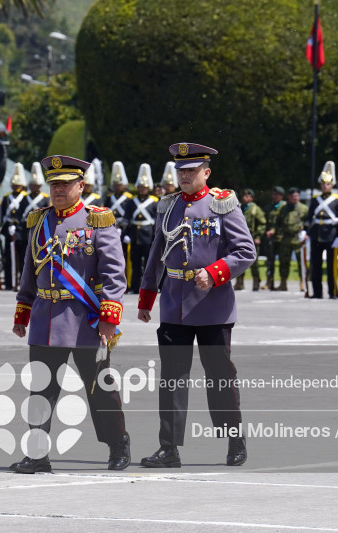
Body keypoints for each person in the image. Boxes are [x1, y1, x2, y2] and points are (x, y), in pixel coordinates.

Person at [137, 142, 256, 468]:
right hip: (174, 304)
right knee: (171, 379)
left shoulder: (223, 205)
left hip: (213, 306)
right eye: (181, 171)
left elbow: (245, 251)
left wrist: (215, 272)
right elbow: (155, 256)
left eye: (191, 171)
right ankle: (169, 447)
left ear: (206, 172)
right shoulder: (167, 206)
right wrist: (147, 296)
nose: (185, 176)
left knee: (219, 376)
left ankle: (234, 439)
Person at [11, 154, 130, 473]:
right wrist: (22, 310)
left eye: (65, 184)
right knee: (40, 391)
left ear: (82, 185)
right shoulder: (39, 221)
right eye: (54, 184)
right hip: (44, 319)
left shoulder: (97, 220)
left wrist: (109, 317)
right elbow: (29, 271)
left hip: (84, 321)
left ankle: (117, 445)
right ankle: (37, 454)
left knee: (99, 390)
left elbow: (115, 274)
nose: (58, 190)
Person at [303, 161, 338, 299]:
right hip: (317, 234)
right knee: (316, 265)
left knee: (332, 267)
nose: (324, 186)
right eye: (322, 184)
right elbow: (310, 216)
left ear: (332, 185)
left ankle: (333, 292)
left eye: (327, 184)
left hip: (332, 235)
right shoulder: (315, 199)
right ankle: (317, 292)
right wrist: (305, 230)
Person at [121, 164, 159, 294]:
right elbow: (127, 218)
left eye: (145, 187)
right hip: (134, 236)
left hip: (148, 235)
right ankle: (135, 287)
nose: (143, 189)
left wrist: (156, 235)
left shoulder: (154, 201)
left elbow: (156, 220)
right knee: (135, 263)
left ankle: (149, 287)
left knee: (149, 264)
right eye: (141, 187)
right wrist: (125, 232)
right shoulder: (132, 201)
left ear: (148, 187)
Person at [274, 187, 308, 291]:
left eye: (297, 196)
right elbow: (278, 223)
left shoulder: (304, 208)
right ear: (289, 197)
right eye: (293, 196)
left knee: (301, 262)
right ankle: (283, 283)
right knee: (284, 262)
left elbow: (308, 222)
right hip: (286, 238)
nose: (295, 198)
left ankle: (303, 282)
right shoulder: (284, 208)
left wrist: (306, 233)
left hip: (298, 238)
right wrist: (277, 234)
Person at [1, 164, 28, 290]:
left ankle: (21, 283)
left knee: (22, 258)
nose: (16, 186)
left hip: (22, 231)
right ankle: (9, 283)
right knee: (8, 259)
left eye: (18, 184)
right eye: (14, 184)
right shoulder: (7, 197)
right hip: (9, 231)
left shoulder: (26, 198)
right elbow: (2, 214)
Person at [234, 188, 265, 291]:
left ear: (252, 197)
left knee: (254, 262)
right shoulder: (240, 208)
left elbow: (262, 223)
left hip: (252, 237)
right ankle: (239, 283)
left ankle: (256, 283)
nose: (245, 198)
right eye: (244, 196)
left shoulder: (255, 209)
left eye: (248, 196)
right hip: (240, 238)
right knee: (239, 259)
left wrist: (258, 236)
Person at [261, 185, 285, 290]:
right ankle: (269, 282)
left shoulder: (285, 207)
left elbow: (284, 223)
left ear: (282, 196)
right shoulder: (268, 208)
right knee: (270, 261)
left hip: (282, 238)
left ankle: (283, 283)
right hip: (270, 238)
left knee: (283, 262)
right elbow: (264, 222)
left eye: (277, 194)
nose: (274, 196)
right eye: (273, 194)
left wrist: (274, 231)